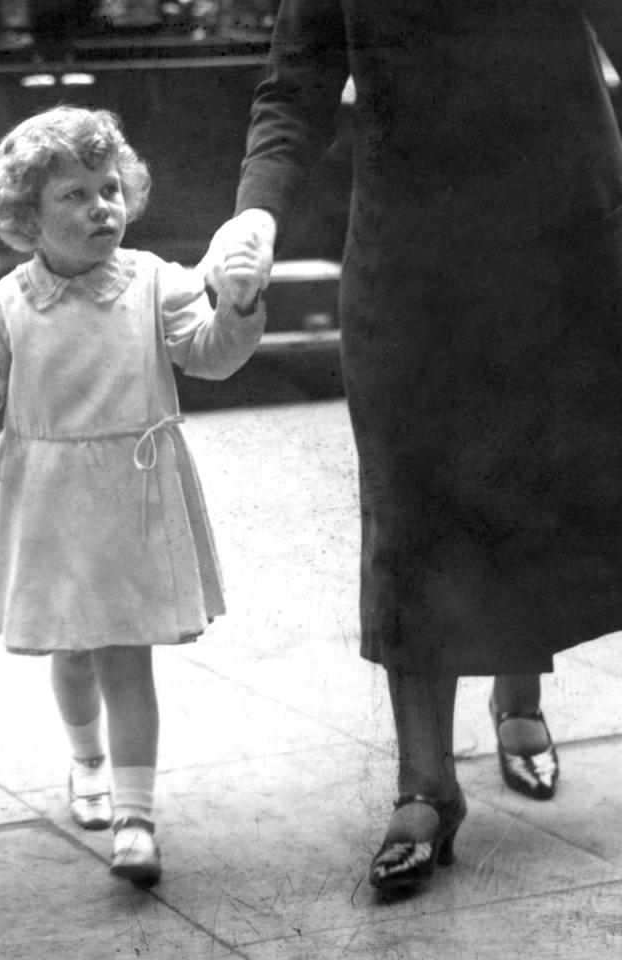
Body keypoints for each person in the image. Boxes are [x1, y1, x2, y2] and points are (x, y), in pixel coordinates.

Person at [205, 0, 622, 897]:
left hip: (564, 237)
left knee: (540, 477)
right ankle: (425, 787)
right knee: (410, 499)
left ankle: (519, 692)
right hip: (411, 247)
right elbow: (297, 81)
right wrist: (256, 212)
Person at [0, 105, 266, 886]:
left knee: (126, 657)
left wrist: (240, 303)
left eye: (110, 189)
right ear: (27, 217)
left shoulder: (157, 282)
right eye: (75, 196)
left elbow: (212, 356)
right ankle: (85, 760)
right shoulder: (4, 305)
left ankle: (135, 817)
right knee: (75, 652)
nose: (102, 208)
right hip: (48, 502)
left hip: (136, 497)